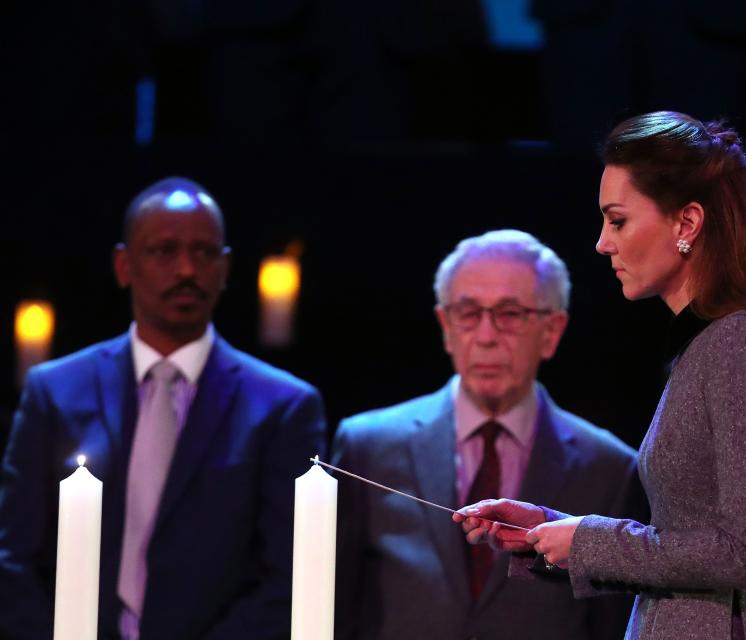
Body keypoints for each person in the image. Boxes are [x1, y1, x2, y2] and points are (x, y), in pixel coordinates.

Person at [455, 112, 746, 640]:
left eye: (618, 220)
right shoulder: (709, 342)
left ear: (687, 223)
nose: (602, 244)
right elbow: (682, 547)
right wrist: (550, 531)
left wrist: (588, 539)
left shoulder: (743, 342)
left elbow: (744, 552)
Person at [0, 177, 327, 640]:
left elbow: (288, 577)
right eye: (164, 251)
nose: (186, 270)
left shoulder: (283, 407)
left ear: (226, 267)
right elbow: (12, 556)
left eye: (204, 253)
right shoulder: (55, 390)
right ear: (124, 265)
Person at [332, 229, 645, 640]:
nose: (485, 336)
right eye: (467, 313)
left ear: (551, 331)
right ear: (445, 326)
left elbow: (614, 622)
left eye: (510, 314)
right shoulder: (367, 446)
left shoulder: (610, 468)